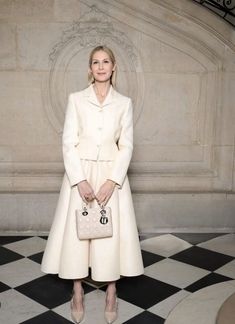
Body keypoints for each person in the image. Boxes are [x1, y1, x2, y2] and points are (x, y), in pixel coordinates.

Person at [41, 45, 144, 323]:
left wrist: (113, 181)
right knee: (78, 235)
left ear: (114, 67)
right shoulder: (76, 99)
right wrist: (79, 180)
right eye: (95, 62)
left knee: (110, 235)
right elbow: (68, 142)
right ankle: (77, 291)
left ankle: (111, 291)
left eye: (106, 61)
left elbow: (127, 146)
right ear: (90, 68)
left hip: (111, 175)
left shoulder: (124, 103)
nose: (100, 66)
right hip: (81, 173)